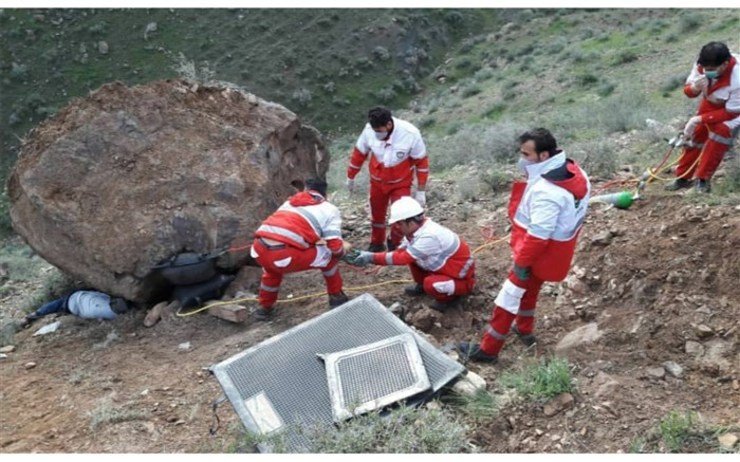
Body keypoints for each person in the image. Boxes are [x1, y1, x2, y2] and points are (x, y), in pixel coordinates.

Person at [457, 128, 591, 363]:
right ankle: (524, 328)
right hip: (556, 254)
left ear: (543, 156)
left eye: (526, 154)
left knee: (510, 295)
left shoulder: (547, 192)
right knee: (531, 290)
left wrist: (521, 263)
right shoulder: (574, 172)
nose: (521, 159)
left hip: (536, 253)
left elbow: (539, 236)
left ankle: (489, 349)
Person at [350, 196, 475, 311]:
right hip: (446, 269)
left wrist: (371, 257)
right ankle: (422, 285)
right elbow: (402, 251)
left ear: (410, 223)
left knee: (430, 284)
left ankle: (448, 299)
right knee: (414, 259)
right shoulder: (415, 232)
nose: (397, 228)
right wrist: (372, 256)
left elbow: (402, 257)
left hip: (461, 277)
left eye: (399, 224)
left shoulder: (429, 236)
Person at [250, 178, 349, 320]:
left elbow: (284, 229)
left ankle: (264, 308)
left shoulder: (289, 202)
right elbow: (334, 246)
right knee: (329, 258)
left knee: (271, 272)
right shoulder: (330, 209)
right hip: (283, 254)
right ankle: (336, 297)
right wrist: (342, 253)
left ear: (305, 190)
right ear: (324, 194)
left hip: (259, 249)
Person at [346, 107, 429, 252]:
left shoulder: (410, 134)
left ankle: (395, 243)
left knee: (402, 215)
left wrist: (421, 190)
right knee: (377, 215)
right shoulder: (369, 131)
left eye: (380, 131)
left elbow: (421, 162)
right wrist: (351, 176)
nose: (377, 134)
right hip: (377, 183)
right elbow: (359, 154)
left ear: (389, 125)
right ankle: (376, 243)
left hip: (401, 183)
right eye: (375, 131)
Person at [666, 41, 740, 194]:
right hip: (712, 102)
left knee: (719, 135)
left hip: (734, 112)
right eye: (705, 69)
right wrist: (695, 88)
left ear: (725, 64)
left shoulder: (737, 77)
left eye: (711, 70)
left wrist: (697, 119)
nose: (706, 72)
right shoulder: (703, 64)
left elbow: (731, 112)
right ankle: (683, 177)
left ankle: (703, 180)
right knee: (696, 135)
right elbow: (688, 92)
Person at [21, 290, 130, 327]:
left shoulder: (106, 301)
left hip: (75, 300)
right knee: (63, 305)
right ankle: (37, 314)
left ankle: (36, 314)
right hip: (78, 308)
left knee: (59, 303)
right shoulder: (113, 315)